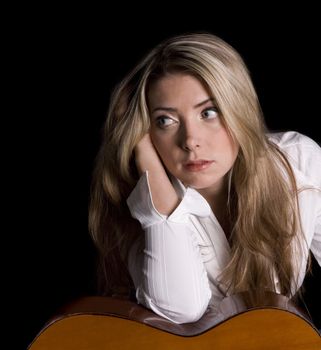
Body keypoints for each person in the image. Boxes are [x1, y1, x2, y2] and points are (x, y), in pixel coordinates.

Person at [88, 32, 321, 325]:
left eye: (208, 112)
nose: (190, 141)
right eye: (165, 120)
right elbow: (181, 309)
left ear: (239, 110)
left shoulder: (299, 162)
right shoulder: (141, 200)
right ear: (146, 131)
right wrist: (144, 155)